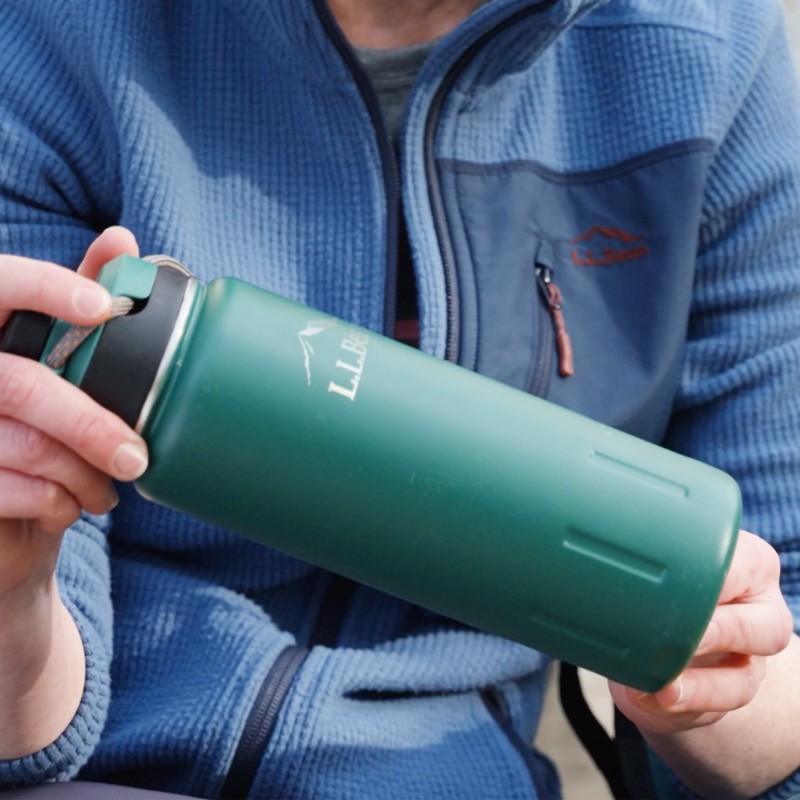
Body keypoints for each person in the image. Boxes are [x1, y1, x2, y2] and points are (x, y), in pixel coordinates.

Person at [0, 0, 798, 798]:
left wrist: (708, 675)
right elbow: (26, 728)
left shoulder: (709, 55)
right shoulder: (56, 30)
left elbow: (778, 624)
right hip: (106, 766)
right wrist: (13, 592)